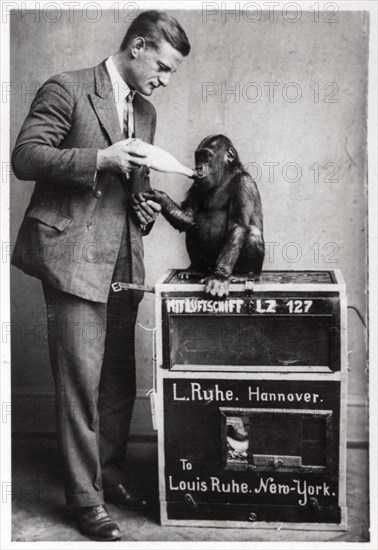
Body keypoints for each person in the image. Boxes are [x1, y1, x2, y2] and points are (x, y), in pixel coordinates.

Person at [11, 10, 190, 542]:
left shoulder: (147, 111)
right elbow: (24, 156)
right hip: (71, 257)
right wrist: (100, 157)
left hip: (122, 258)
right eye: (161, 66)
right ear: (137, 47)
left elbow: (132, 182)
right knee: (79, 384)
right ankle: (84, 501)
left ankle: (109, 476)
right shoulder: (66, 88)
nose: (163, 79)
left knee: (117, 381)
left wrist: (144, 205)